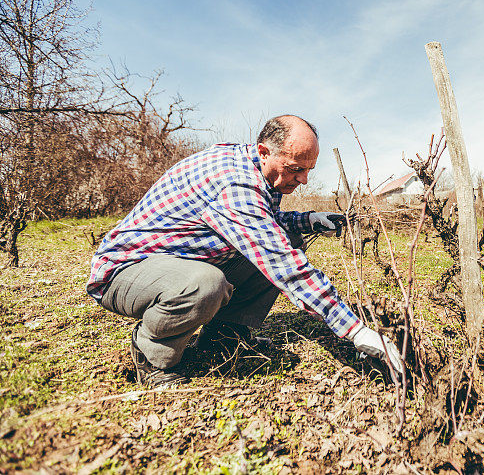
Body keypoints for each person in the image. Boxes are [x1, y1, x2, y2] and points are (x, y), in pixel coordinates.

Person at [87, 114, 402, 387]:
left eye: (308, 170)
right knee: (205, 283)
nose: (303, 180)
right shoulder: (234, 183)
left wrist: (309, 220)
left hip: (177, 262)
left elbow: (267, 223)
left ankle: (223, 337)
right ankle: (152, 358)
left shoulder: (255, 168)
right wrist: (355, 330)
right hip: (125, 271)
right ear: (265, 151)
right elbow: (283, 263)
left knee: (286, 238)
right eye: (295, 168)